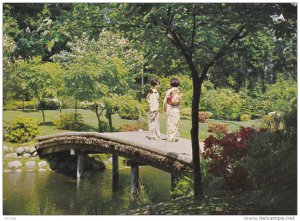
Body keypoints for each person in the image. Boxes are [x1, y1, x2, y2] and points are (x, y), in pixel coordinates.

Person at [163, 78, 183, 142]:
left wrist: (164, 108)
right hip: (176, 108)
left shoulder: (168, 91)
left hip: (170, 108)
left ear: (171, 83)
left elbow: (165, 100)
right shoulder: (180, 91)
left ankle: (170, 137)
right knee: (176, 122)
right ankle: (174, 136)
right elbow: (180, 100)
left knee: (169, 122)